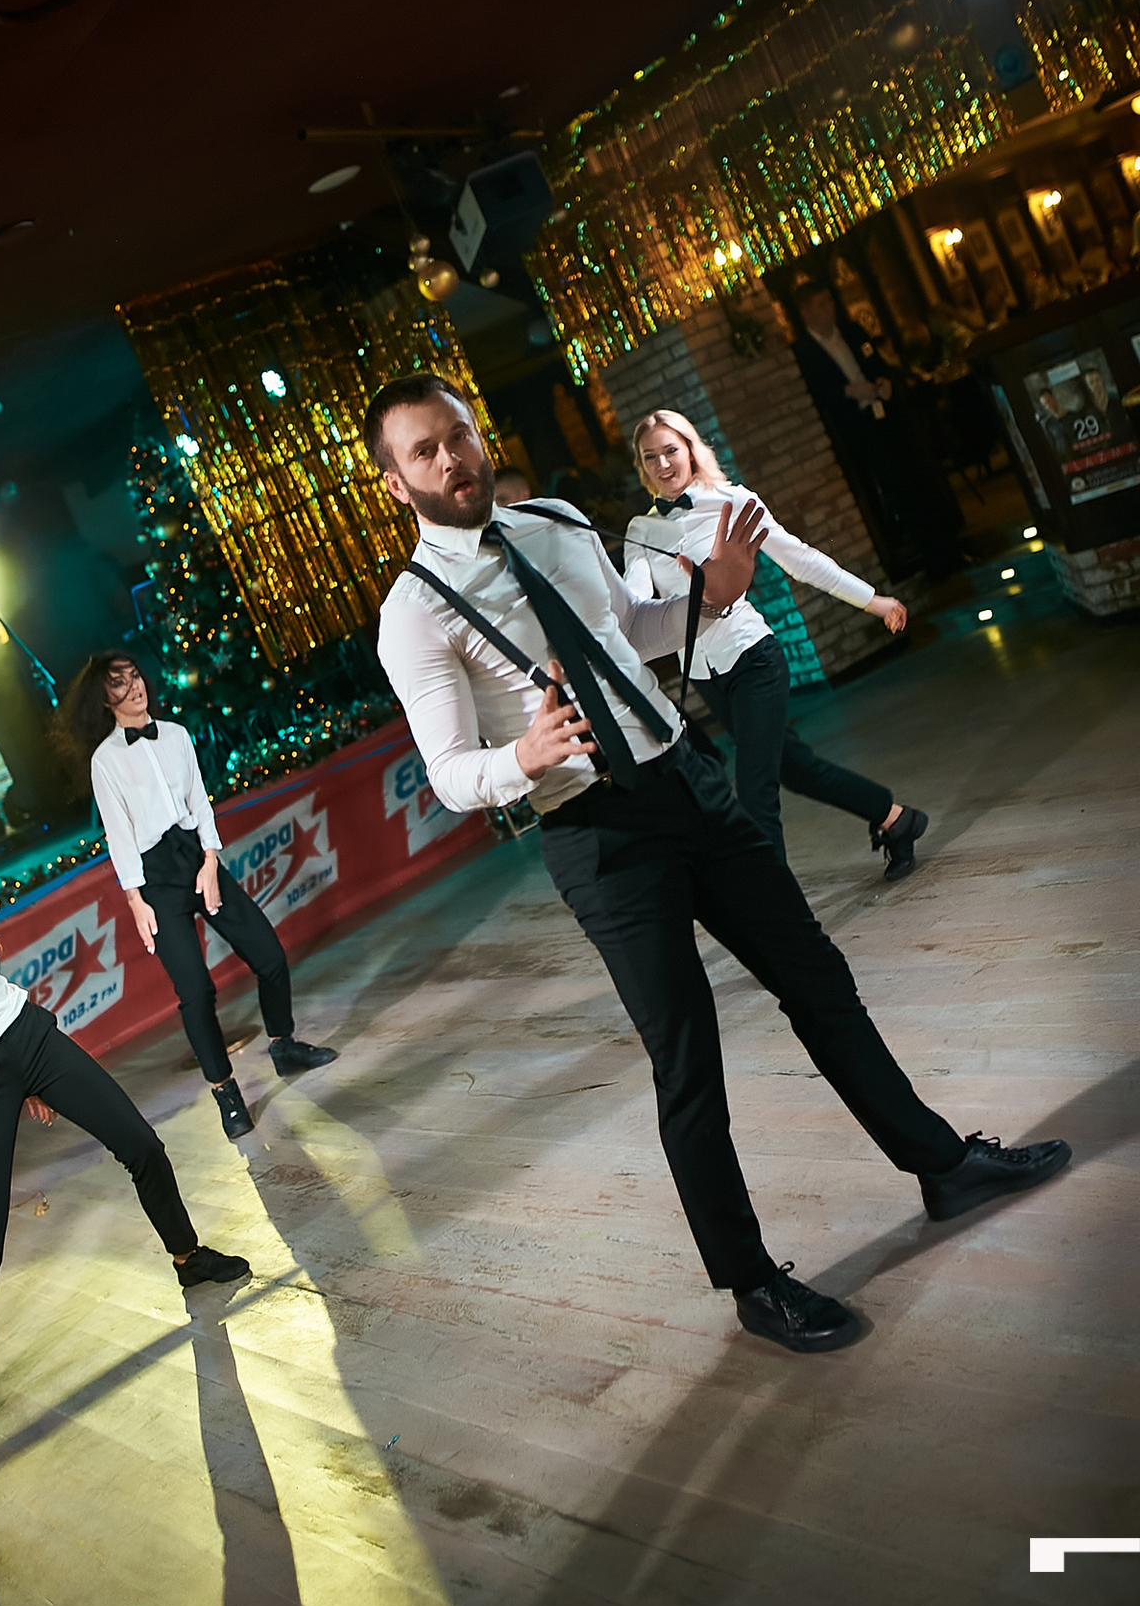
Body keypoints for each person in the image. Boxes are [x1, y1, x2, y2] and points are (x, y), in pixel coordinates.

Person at [364, 372, 1070, 1356]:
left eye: (457, 437)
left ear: (478, 435)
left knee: (817, 979)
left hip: (686, 778)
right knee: (687, 1057)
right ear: (395, 481)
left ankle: (944, 1166)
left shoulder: (557, 522)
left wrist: (712, 594)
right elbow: (446, 775)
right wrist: (520, 758)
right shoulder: (414, 612)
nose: (450, 461)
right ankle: (750, 1282)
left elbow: (632, 630)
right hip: (598, 838)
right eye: (423, 452)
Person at [0, 806, 252, 1479]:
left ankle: (188, 1257)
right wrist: (7, 1084)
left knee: (142, 1145)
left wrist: (31, 1078)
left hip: (30, 1039)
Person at [623, 409, 927, 880]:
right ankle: (896, 819)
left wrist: (873, 601)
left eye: (670, 451)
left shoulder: (733, 501)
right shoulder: (641, 530)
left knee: (755, 790)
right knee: (795, 769)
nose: (663, 464)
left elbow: (800, 560)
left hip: (753, 659)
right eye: (650, 457)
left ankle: (776, 906)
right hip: (703, 675)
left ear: (690, 450)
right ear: (642, 467)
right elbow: (637, 603)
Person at [53, 652, 335, 1143]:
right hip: (155, 879)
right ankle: (226, 1092)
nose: (134, 687)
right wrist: (136, 900)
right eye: (119, 683)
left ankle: (284, 1045)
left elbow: (199, 801)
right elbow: (120, 836)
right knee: (196, 991)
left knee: (269, 955)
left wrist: (209, 860)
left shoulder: (176, 735)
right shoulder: (106, 761)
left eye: (135, 676)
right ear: (104, 700)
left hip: (198, 859)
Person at [792, 281, 961, 576]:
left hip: (887, 414)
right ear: (806, 312)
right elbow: (816, 395)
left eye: (829, 302)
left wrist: (883, 381)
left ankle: (951, 545)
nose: (829, 309)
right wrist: (848, 392)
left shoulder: (852, 332)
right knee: (899, 489)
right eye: (820, 305)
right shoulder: (804, 352)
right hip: (859, 427)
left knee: (921, 475)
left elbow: (876, 363)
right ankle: (932, 556)